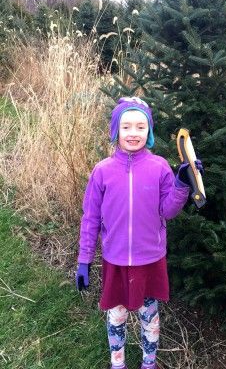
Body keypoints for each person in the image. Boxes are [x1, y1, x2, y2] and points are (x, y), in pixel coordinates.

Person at [75, 96, 202, 369]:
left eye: (141, 127)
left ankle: (149, 362)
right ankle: (117, 362)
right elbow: (90, 219)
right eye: (126, 127)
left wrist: (181, 184)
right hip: (116, 259)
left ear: (150, 132)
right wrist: (84, 260)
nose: (134, 133)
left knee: (150, 316)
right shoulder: (102, 172)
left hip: (150, 259)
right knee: (116, 315)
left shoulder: (159, 167)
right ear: (115, 131)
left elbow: (167, 211)